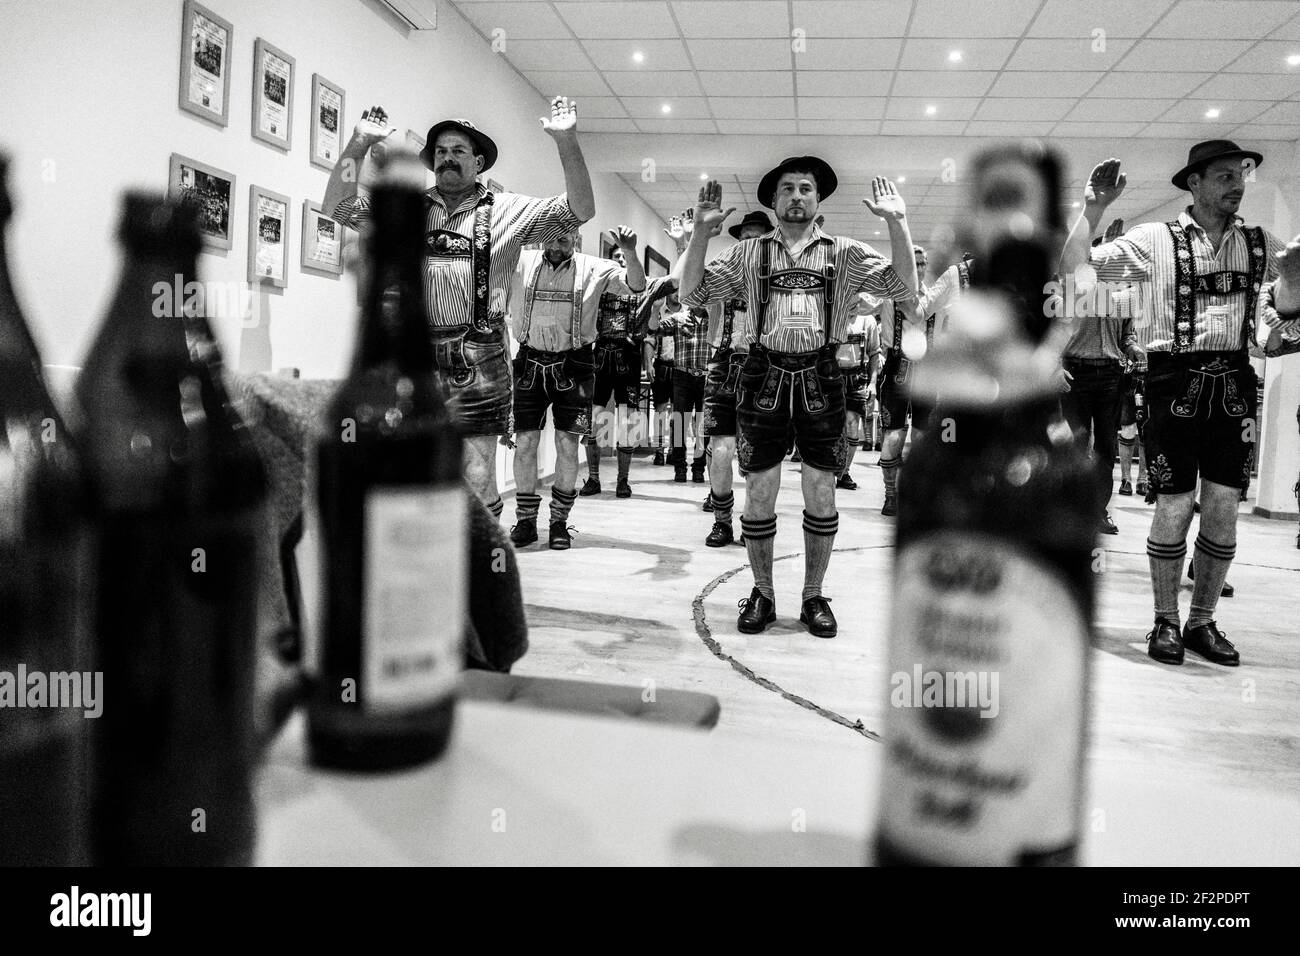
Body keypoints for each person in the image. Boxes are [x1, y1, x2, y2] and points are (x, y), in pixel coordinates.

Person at [1064, 142, 1300, 666]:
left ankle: (1203, 621)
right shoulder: (1152, 240)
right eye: (1222, 176)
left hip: (1236, 383)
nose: (1236, 184)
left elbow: (1284, 324)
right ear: (1193, 183)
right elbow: (1075, 276)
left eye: (1240, 175)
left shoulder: (1262, 245)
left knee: (1223, 506)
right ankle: (1165, 620)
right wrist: (1092, 210)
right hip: (1172, 383)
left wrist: (1293, 279)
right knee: (1173, 503)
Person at [323, 99, 596, 520]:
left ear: (479, 161)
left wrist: (567, 141)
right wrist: (358, 144)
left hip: (479, 354)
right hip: (413, 356)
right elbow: (338, 206)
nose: (448, 159)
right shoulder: (408, 209)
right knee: (409, 466)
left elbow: (580, 210)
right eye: (441, 152)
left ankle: (478, 563)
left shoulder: (510, 210)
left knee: (476, 470)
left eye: (459, 151)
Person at [680, 160, 919, 638]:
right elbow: (692, 294)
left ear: (817, 201)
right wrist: (700, 235)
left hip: (824, 377)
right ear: (772, 202)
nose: (796, 196)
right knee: (761, 490)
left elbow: (904, 289)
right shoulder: (749, 253)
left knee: (822, 490)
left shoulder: (845, 252)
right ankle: (763, 593)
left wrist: (898, 222)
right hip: (762, 376)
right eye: (787, 188)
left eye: (806, 189)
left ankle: (813, 595)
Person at [506, 227, 645, 550]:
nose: (556, 246)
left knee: (568, 443)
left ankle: (559, 523)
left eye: (564, 239)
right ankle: (526, 522)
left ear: (576, 240)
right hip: (529, 361)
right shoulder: (521, 261)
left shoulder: (594, 267)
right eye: (551, 238)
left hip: (576, 364)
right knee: (525, 442)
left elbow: (637, 286)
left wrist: (631, 251)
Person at [1059, 226, 1145, 535]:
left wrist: (1133, 348)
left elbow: (1128, 335)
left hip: (1110, 376)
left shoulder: (1124, 293)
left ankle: (1098, 512)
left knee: (1105, 449)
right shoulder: (1070, 290)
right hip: (1073, 373)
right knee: (1075, 444)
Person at [702, 211, 771, 545]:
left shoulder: (776, 277)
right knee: (721, 450)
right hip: (722, 364)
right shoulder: (721, 273)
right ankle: (721, 521)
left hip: (764, 367)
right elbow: (689, 285)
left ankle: (752, 522)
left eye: (756, 237)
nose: (749, 242)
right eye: (744, 237)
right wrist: (696, 236)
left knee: (756, 456)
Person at [581, 240, 649, 499]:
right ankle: (594, 478)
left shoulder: (642, 288)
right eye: (617, 256)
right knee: (592, 421)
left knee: (629, 423)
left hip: (629, 358)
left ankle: (623, 480)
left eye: (625, 256)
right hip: (600, 356)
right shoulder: (598, 288)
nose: (621, 260)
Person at [834, 307, 881, 491]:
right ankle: (832, 468)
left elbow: (874, 353)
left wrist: (873, 384)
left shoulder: (867, 320)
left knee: (852, 427)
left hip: (857, 377)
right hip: (833, 376)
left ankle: (844, 472)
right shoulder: (834, 313)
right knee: (830, 427)